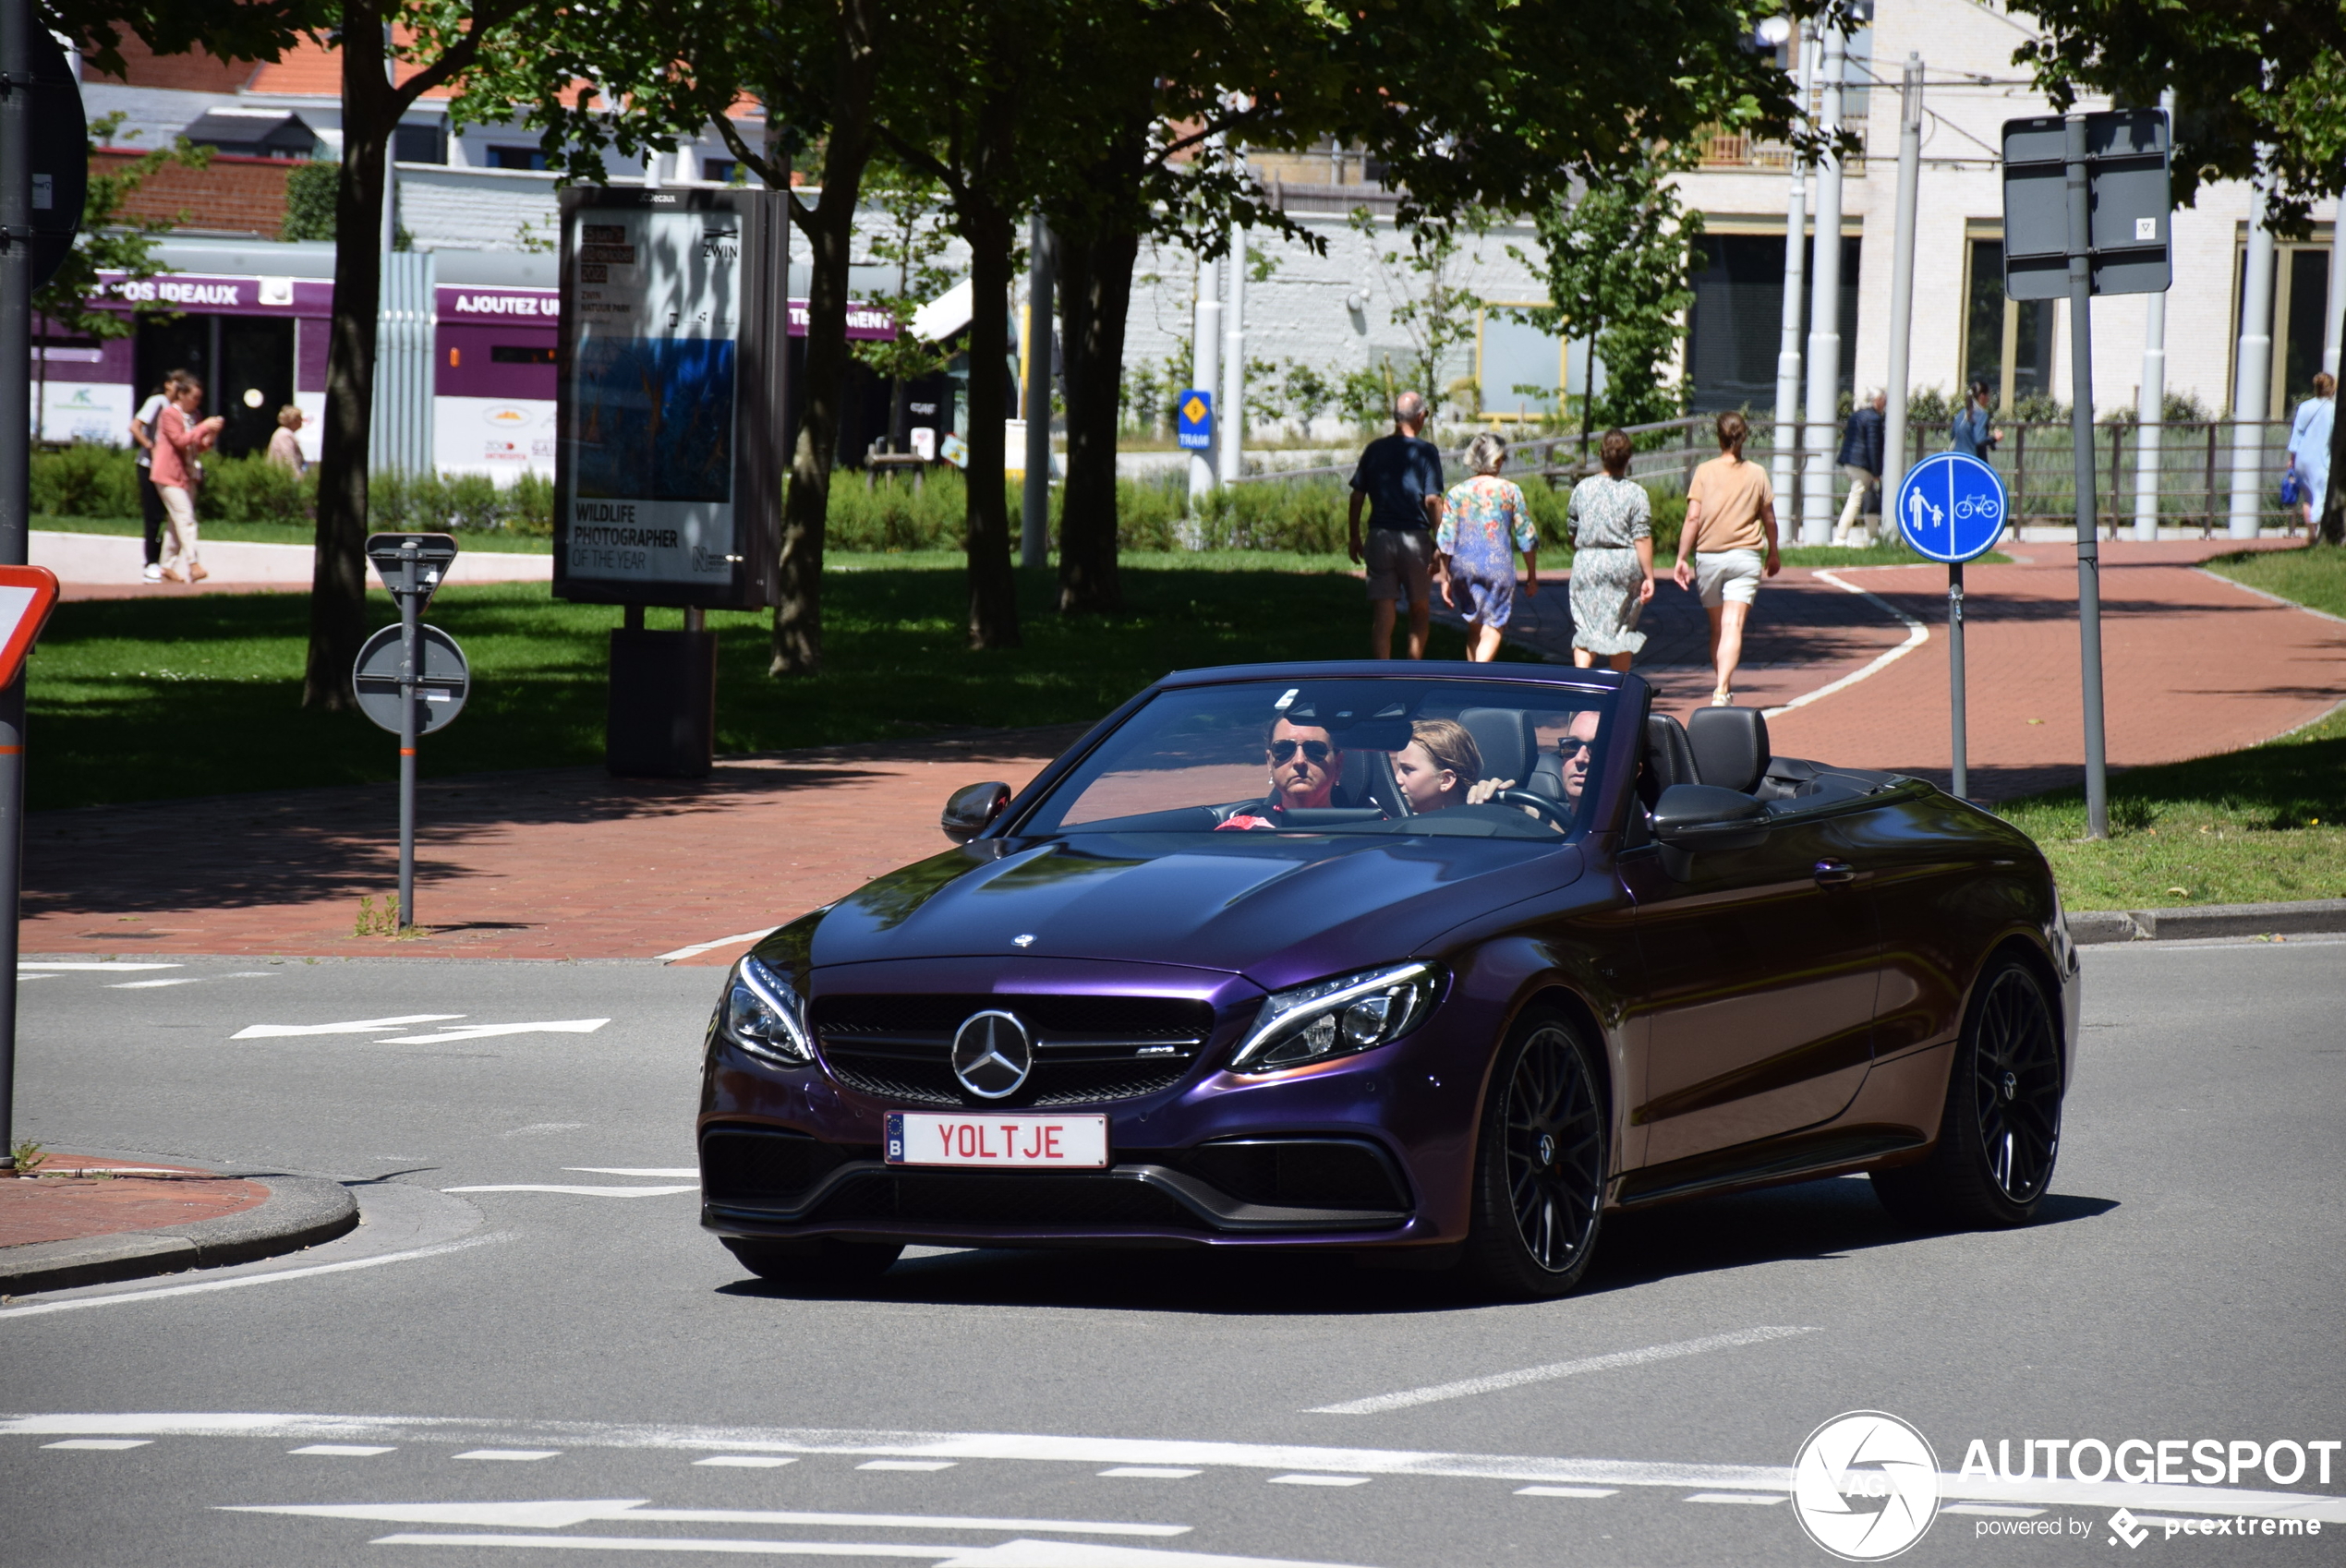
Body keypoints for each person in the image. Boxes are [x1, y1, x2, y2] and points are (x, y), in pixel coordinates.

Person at [1672, 411, 1781, 707]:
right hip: (1745, 556)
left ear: (1718, 437)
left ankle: (1723, 686)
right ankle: (1722, 690)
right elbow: (1769, 519)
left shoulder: (1704, 472)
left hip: (1709, 557)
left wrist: (1681, 557)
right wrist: (1773, 551)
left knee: (1718, 627)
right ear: (1744, 437)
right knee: (1733, 625)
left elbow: (1693, 517)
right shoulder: (1758, 473)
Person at [1347, 391, 1448, 659]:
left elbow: (1357, 495)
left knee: (1383, 612)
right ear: (1420, 417)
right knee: (1420, 608)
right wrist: (1441, 541)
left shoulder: (1375, 450)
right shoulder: (1426, 452)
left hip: (1379, 537)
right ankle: (1413, 669)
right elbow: (1432, 500)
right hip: (1415, 539)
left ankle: (1383, 671)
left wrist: (1354, 535)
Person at [1435, 432, 1538, 662]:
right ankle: (1476, 675)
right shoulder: (1510, 490)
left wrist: (1444, 578)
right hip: (1497, 566)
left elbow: (1445, 540)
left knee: (1474, 624)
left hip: (1463, 567)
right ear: (1497, 459)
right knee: (1493, 625)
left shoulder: (1456, 493)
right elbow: (1526, 537)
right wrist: (1532, 574)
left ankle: (1473, 687)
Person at [1566, 428, 1654, 672]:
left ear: (1601, 454)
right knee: (1622, 630)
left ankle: (1582, 685)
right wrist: (1649, 575)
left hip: (1588, 561)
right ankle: (1619, 687)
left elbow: (1572, 526)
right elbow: (1642, 536)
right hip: (1623, 563)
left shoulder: (1583, 488)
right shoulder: (1636, 493)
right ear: (1628, 458)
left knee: (1586, 629)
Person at [150, 375, 224, 584]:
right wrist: (203, 427)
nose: (197, 402)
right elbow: (180, 440)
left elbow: (197, 446)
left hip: (187, 474)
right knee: (186, 516)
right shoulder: (169, 414)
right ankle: (193, 564)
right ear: (181, 394)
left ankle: (166, 567)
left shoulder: (194, 415)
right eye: (194, 397)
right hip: (167, 474)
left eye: (200, 399)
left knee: (176, 523)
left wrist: (211, 433)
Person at [1215, 715, 1347, 830]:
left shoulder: (1362, 832)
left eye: (1315, 749)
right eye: (1284, 749)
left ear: (1338, 764)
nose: (1299, 760)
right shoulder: (1237, 831)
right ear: (1269, 763)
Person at [127, 372, 183, 585]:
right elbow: (135, 426)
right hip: (149, 466)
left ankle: (163, 562)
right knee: (153, 516)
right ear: (168, 384)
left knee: (172, 515)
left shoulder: (179, 408)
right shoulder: (158, 402)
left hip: (170, 469)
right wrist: (151, 447)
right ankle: (151, 562)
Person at [1392, 719, 1482, 813]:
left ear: (1446, 780)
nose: (1397, 779)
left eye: (1408, 769)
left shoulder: (1478, 822)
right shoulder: (1387, 819)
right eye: (1399, 768)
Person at [2286, 373, 2334, 541]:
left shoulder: (2304, 407)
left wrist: (2292, 458)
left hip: (2302, 458)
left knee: (2308, 498)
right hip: (2321, 458)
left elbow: (2297, 434)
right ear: (2332, 389)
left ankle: (2311, 532)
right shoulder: (2333, 410)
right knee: (2322, 494)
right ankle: (2320, 534)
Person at [1834, 390, 1886, 545]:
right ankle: (1840, 536)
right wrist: (1877, 472)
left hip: (1851, 461)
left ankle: (1874, 534)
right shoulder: (1874, 419)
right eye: (1884, 400)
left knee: (1869, 496)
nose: (1885, 404)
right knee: (1856, 497)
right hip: (1863, 464)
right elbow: (1873, 446)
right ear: (1877, 401)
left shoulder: (1857, 415)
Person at [1554, 709, 1602, 806]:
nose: (1580, 758)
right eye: (1572, 745)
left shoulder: (1639, 820)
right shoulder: (1541, 818)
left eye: (1598, 748)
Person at [1950, 380, 2001, 459]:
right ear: (1982, 396)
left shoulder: (1961, 413)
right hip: (1974, 462)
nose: (1989, 398)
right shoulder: (1981, 415)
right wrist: (1994, 438)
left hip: (1957, 459)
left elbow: (1953, 435)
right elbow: (1979, 440)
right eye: (1988, 395)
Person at [267, 404, 308, 476]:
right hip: (283, 478)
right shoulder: (285, 435)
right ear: (293, 420)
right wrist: (298, 477)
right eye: (300, 418)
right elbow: (288, 458)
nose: (302, 420)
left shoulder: (285, 433)